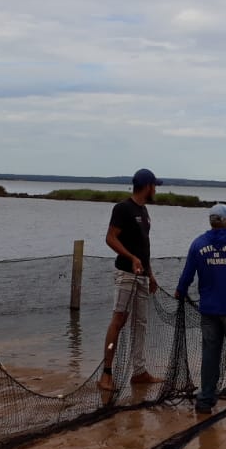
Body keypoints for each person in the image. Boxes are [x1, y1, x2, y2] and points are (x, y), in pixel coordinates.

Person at [176, 204, 226, 415]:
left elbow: (187, 276)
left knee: (210, 357)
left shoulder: (198, 244)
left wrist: (180, 290)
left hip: (209, 310)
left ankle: (205, 401)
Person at [98, 168, 163, 392]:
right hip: (126, 274)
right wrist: (131, 257)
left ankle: (139, 372)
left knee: (140, 324)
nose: (156, 189)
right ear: (147, 186)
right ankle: (106, 374)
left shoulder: (144, 211)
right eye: (155, 185)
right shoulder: (123, 208)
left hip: (143, 277)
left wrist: (151, 274)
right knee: (119, 321)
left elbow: (144, 247)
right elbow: (110, 238)